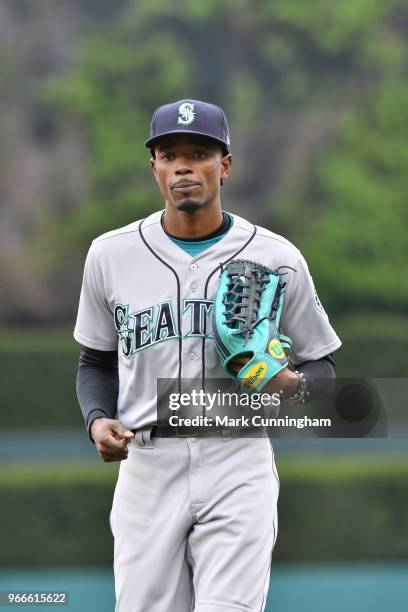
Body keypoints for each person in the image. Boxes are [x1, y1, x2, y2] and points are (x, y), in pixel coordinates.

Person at [74, 99, 341, 612]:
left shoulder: (276, 257)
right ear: (153, 166)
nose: (183, 167)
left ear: (225, 164)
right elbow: (95, 363)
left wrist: (287, 384)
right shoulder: (110, 254)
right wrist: (97, 420)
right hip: (148, 462)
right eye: (169, 154)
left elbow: (322, 368)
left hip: (237, 456)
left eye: (199, 152)